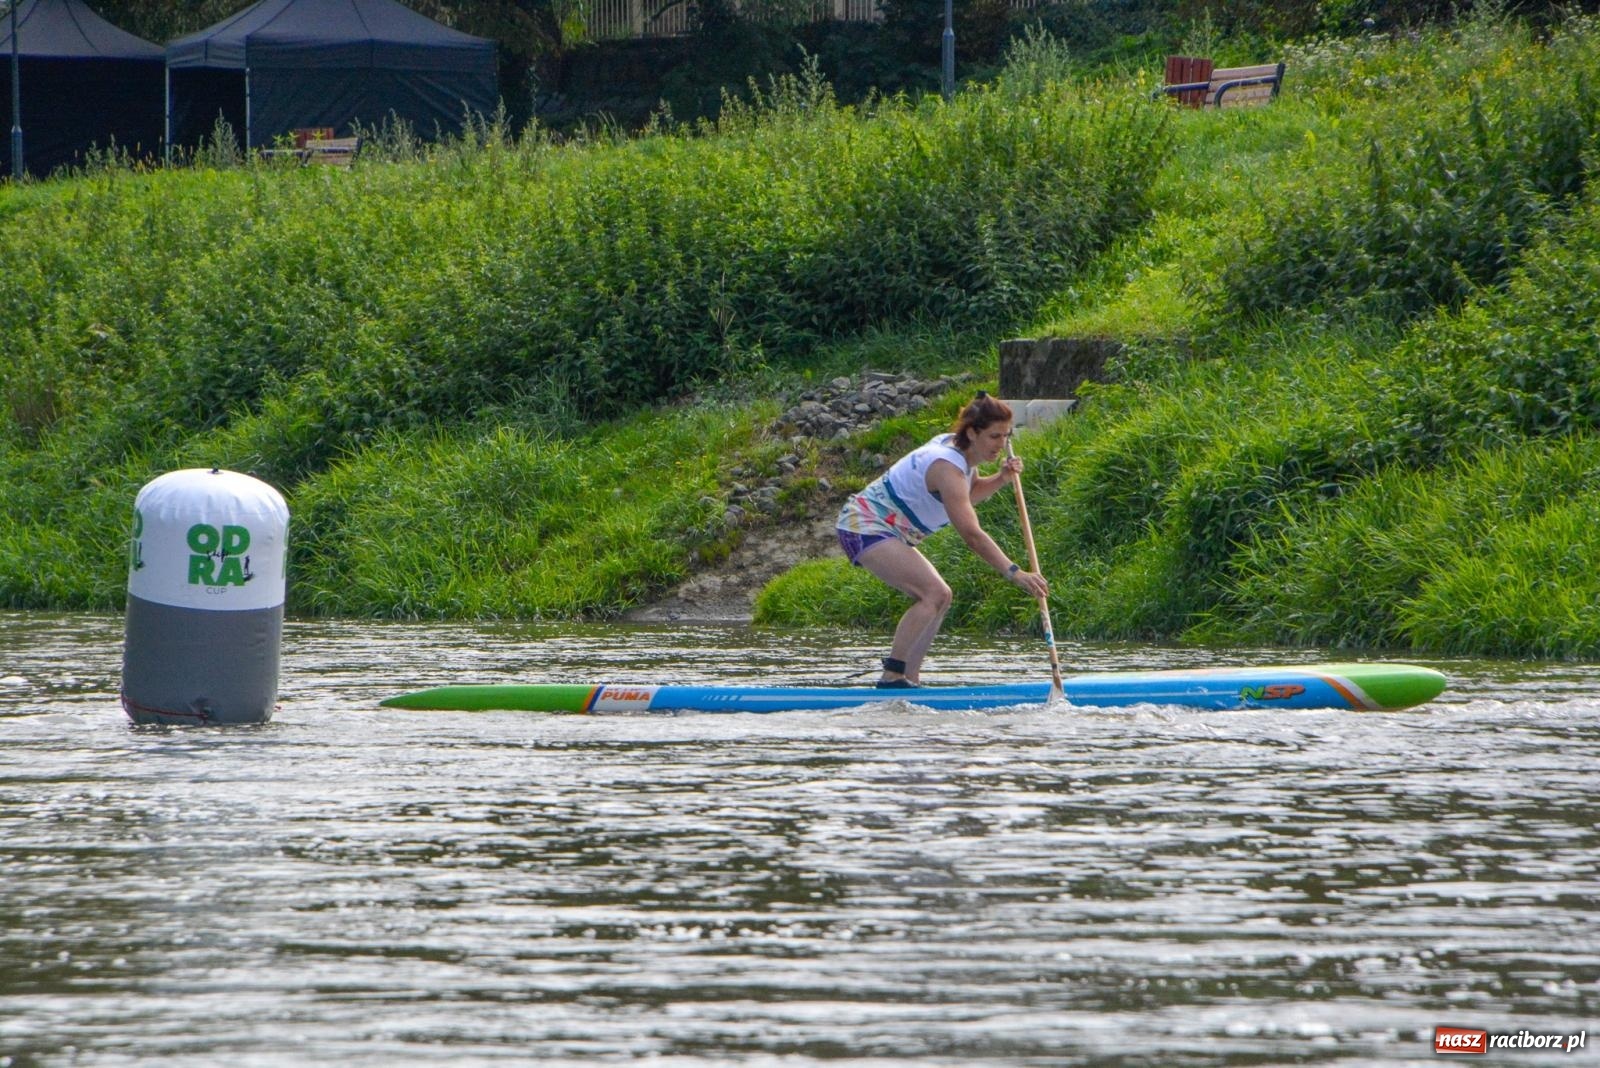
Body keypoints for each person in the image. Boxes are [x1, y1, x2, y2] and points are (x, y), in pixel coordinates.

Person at [835, 391, 1050, 688]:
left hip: (887, 529)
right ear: (973, 433)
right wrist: (1014, 572)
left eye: (1006, 436)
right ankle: (892, 676)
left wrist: (1000, 478)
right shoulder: (947, 468)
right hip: (863, 525)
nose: (1001, 445)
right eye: (994, 436)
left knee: (942, 596)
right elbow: (972, 534)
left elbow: (968, 496)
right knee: (933, 593)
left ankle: (909, 678)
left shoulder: (963, 456)